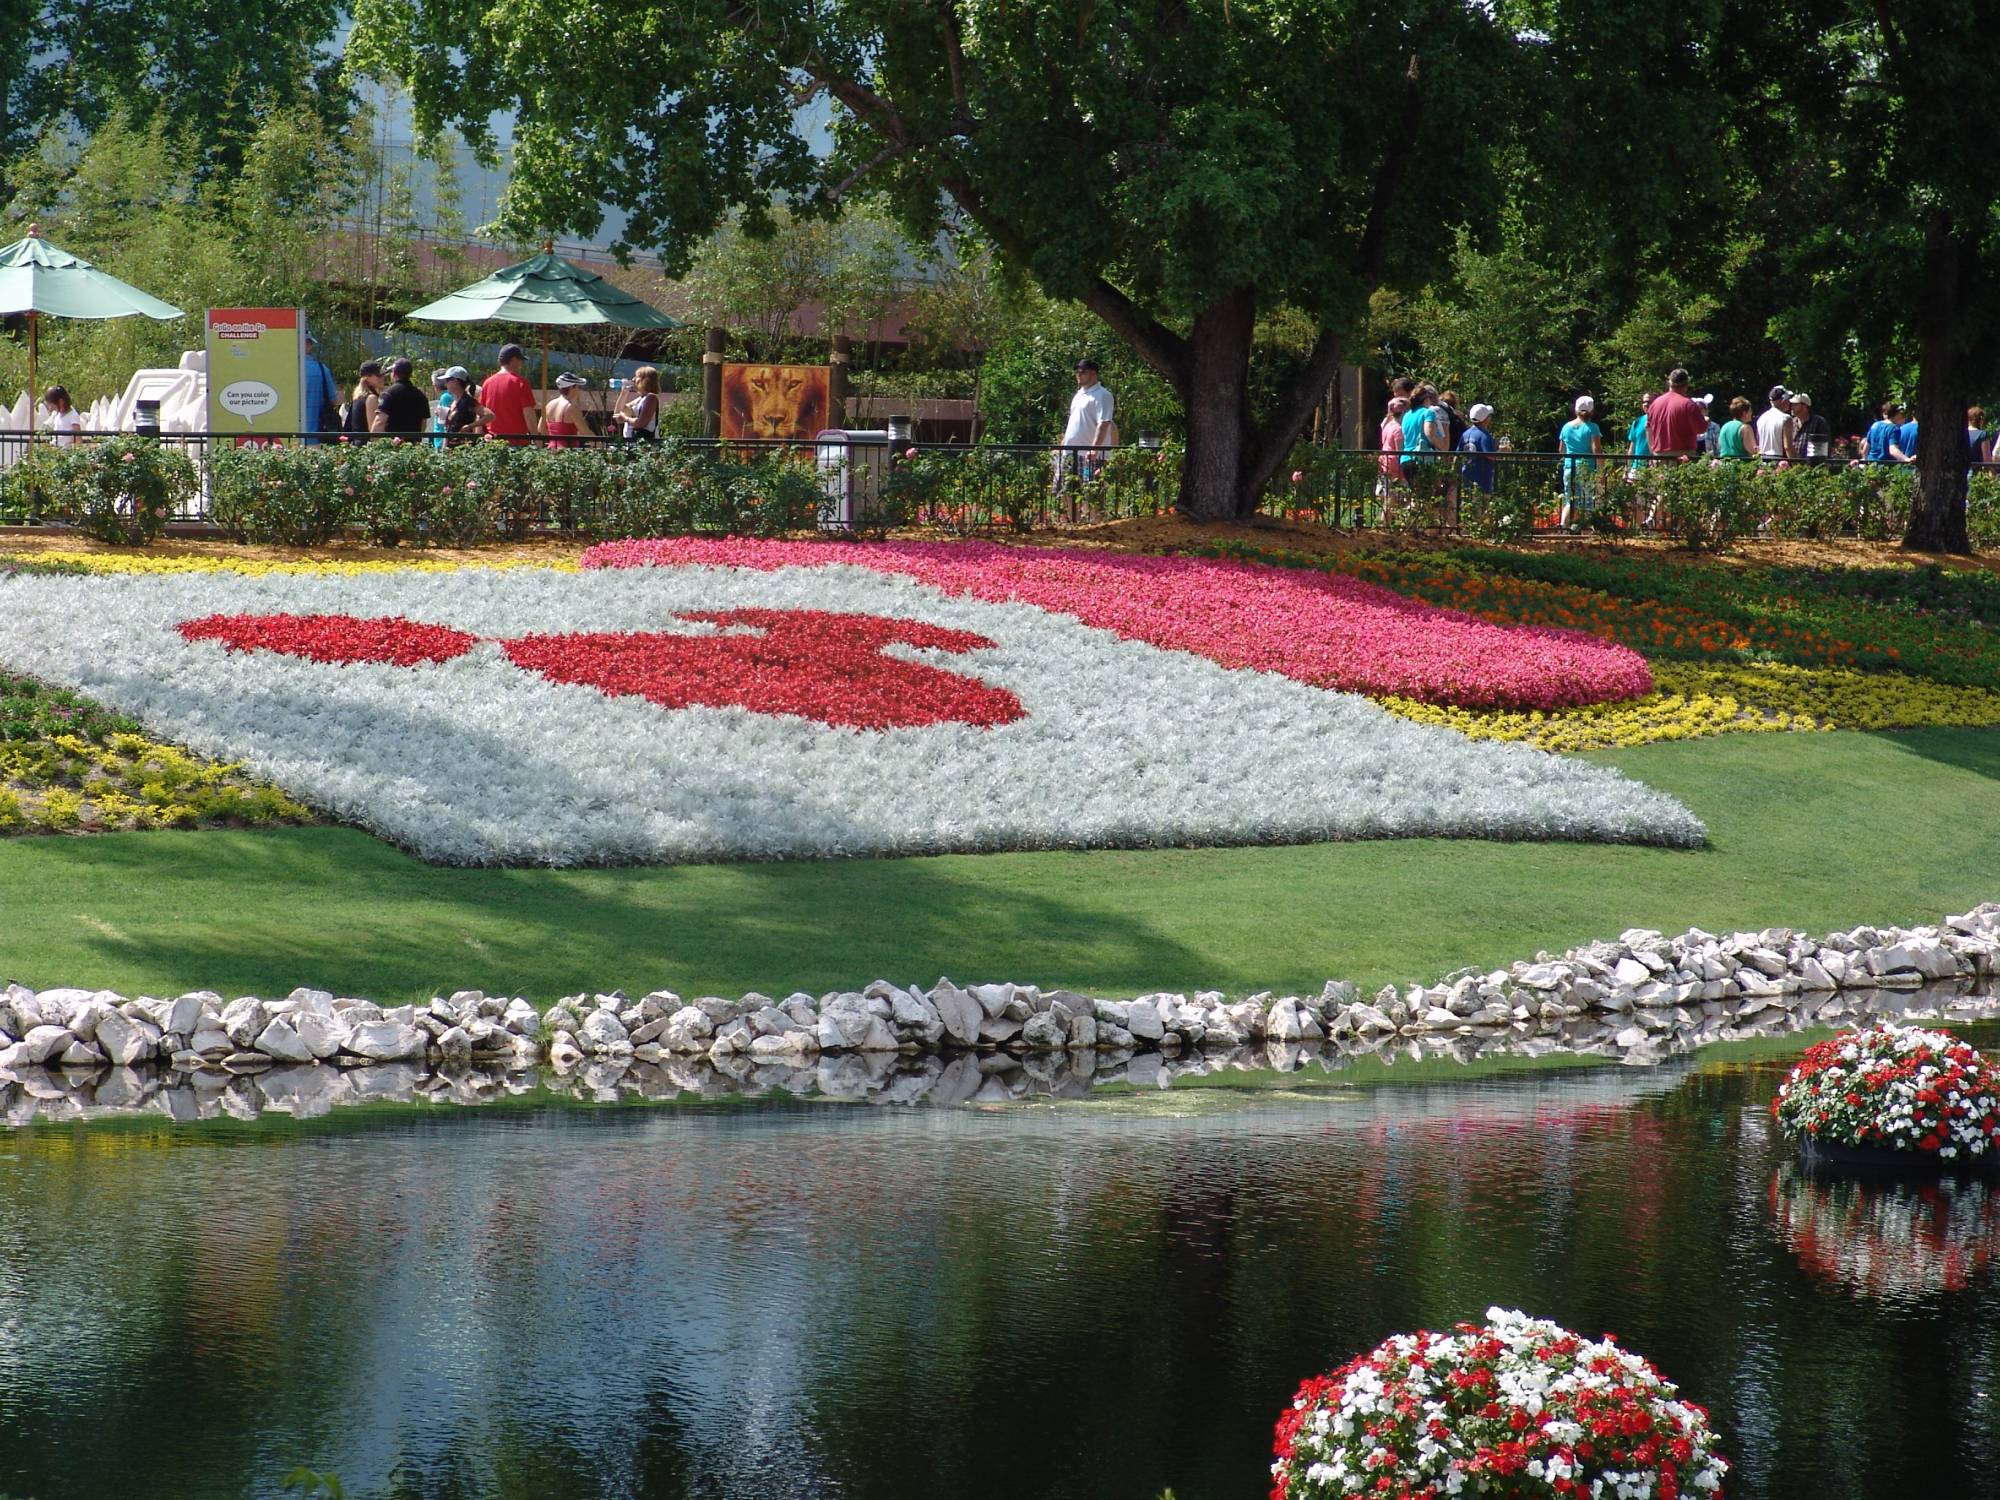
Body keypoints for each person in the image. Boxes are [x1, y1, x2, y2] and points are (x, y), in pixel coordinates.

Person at [1055, 358, 1115, 483]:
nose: (1078, 375)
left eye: (1082, 372)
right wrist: (1063, 444)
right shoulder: (1078, 395)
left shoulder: (1103, 395)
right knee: (1064, 491)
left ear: (1093, 373)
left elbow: (1104, 423)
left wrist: (1094, 449)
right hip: (1069, 453)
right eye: (1077, 372)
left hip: (1090, 456)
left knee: (1092, 494)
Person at [1559, 395, 1603, 529]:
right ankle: (1591, 530)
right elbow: (1597, 450)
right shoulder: (1593, 428)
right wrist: (1601, 471)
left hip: (1569, 468)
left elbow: (1561, 450)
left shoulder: (1566, 427)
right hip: (1587, 469)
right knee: (1589, 501)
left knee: (1570, 500)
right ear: (1592, 411)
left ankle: (1563, 527)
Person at [482, 343, 540, 442]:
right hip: (516, 441)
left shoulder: (487, 383)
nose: (521, 364)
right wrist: (537, 440)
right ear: (514, 360)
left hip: (491, 442)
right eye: (520, 360)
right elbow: (529, 415)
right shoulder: (521, 382)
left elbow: (482, 414)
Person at [1645, 369, 1706, 459]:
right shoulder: (1688, 404)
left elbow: (1648, 429)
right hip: (1683, 457)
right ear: (1686, 384)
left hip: (1659, 456)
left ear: (1669, 382)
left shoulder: (1655, 404)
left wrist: (1653, 453)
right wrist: (1706, 421)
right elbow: (1700, 429)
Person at [371, 357, 431, 436]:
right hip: (412, 445)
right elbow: (423, 424)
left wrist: (373, 441)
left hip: (392, 444)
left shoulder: (388, 394)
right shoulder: (421, 396)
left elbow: (380, 421)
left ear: (394, 374)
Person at [303, 334, 340, 442]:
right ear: (309, 346)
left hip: (288, 436)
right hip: (316, 435)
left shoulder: (285, 369)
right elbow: (333, 400)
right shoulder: (322, 369)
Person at [1377, 395, 1409, 515]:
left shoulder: (1387, 425)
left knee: (1388, 497)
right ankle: (1388, 523)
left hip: (1385, 462)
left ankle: (1384, 523)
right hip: (1395, 466)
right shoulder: (1398, 429)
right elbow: (1399, 450)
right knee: (1394, 499)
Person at [1459, 403, 1498, 496]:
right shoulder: (1484, 435)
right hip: (1481, 478)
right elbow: (1490, 455)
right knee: (1481, 506)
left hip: (1466, 475)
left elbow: (1459, 453)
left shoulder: (1465, 433)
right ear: (1485, 419)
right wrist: (1502, 452)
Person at [616, 365, 662, 442]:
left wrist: (625, 418)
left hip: (645, 444)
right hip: (632, 443)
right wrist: (623, 394)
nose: (633, 379)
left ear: (645, 380)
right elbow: (618, 414)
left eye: (637, 376)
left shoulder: (651, 398)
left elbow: (641, 423)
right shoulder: (639, 399)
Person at [341, 360, 383, 442]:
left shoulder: (357, 397)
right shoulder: (371, 398)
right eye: (379, 375)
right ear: (367, 377)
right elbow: (374, 433)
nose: (382, 377)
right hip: (366, 448)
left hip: (357, 446)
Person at [545, 372, 589, 448]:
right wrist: (601, 444)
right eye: (578, 387)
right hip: (567, 453)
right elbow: (585, 432)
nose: (579, 390)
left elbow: (541, 428)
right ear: (572, 388)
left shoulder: (549, 405)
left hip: (551, 449)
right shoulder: (571, 407)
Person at [440, 367, 481, 441]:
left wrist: (469, 426)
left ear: (455, 381)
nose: (445, 384)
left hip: (463, 448)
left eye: (447, 380)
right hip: (450, 448)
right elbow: (448, 430)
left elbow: (489, 416)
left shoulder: (468, 401)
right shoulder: (454, 402)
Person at [1755, 386, 1795, 460]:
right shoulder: (1786, 418)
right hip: (1779, 461)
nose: (1789, 402)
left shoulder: (1761, 418)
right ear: (1783, 400)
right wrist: (1797, 465)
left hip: (1762, 459)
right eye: (1788, 399)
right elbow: (1788, 447)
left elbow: (1758, 442)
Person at [1790, 392, 1830, 462]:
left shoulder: (1818, 422)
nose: (1792, 407)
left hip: (1811, 465)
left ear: (1804, 406)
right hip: (1793, 466)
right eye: (1792, 404)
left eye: (1795, 404)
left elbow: (1825, 446)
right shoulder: (1790, 422)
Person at [1626, 394, 1652, 479]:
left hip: (1653, 469)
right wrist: (1627, 469)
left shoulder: (1661, 422)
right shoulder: (1637, 422)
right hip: (1637, 469)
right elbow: (1632, 448)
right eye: (1644, 402)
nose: (1645, 404)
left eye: (1649, 402)